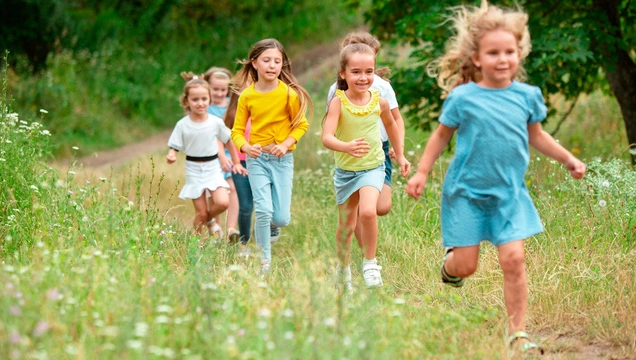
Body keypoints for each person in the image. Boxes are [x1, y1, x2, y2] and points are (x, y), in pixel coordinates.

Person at [404, 1, 586, 356]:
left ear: (519, 54)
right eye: (493, 53)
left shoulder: (527, 96)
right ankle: (450, 265)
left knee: (513, 258)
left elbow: (537, 136)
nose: (503, 59)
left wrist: (568, 159)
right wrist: (422, 171)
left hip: (509, 194)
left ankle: (517, 333)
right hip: (466, 193)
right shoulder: (463, 97)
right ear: (476, 58)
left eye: (510, 52)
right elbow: (441, 136)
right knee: (465, 266)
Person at [322, 43, 410, 289]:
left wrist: (400, 155)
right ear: (343, 73)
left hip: (373, 166)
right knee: (347, 226)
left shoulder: (379, 101)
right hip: (346, 171)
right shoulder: (338, 102)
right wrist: (345, 146)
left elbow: (392, 126)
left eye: (369, 71)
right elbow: (327, 137)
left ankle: (370, 264)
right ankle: (343, 269)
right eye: (356, 72)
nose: (363, 78)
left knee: (369, 212)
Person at [231, 38, 313, 274]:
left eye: (277, 61)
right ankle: (264, 262)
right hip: (257, 160)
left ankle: (274, 229)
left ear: (282, 65)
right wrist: (246, 147)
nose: (272, 65)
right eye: (266, 60)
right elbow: (236, 131)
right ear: (255, 63)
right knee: (264, 211)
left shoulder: (289, 95)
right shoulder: (247, 96)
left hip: (282, 160)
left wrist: (286, 143)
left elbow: (301, 125)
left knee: (282, 217)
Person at [167, 72, 246, 242]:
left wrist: (237, 162)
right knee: (200, 213)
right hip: (194, 169)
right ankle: (195, 243)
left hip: (213, 167)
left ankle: (210, 220)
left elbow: (228, 141)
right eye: (195, 100)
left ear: (209, 99)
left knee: (223, 203)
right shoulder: (183, 125)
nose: (200, 103)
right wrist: (172, 154)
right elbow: (174, 145)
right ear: (186, 101)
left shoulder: (215, 122)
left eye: (204, 99)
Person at [202, 67, 240, 244]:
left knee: (232, 189)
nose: (218, 93)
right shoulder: (204, 107)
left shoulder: (231, 105)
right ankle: (215, 229)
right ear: (208, 88)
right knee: (214, 193)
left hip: (226, 153)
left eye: (222, 90)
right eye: (214, 89)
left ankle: (231, 227)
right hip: (209, 155)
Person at [223, 88, 255, 256]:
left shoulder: (263, 111)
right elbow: (221, 138)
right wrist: (223, 157)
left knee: (265, 205)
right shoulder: (233, 115)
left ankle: (263, 237)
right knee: (246, 205)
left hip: (260, 162)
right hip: (240, 163)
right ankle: (243, 243)